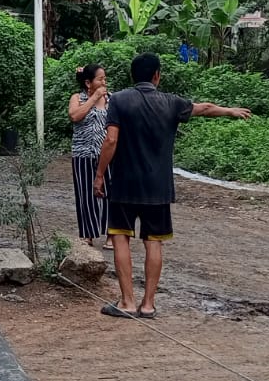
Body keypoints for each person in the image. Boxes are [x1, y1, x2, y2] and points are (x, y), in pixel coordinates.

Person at [93, 52, 250, 319]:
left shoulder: (119, 100)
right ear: (157, 76)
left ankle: (127, 302)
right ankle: (148, 305)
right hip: (158, 188)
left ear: (133, 75)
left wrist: (99, 175)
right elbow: (204, 108)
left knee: (120, 238)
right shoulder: (172, 103)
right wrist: (230, 111)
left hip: (125, 184)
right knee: (154, 242)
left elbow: (111, 140)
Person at [67, 63, 110, 248]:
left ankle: (111, 235)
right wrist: (94, 98)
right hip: (82, 154)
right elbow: (75, 116)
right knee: (85, 194)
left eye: (105, 78)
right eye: (100, 79)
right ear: (88, 82)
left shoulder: (111, 100)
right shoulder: (77, 98)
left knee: (109, 194)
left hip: (106, 155)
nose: (104, 82)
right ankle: (87, 234)